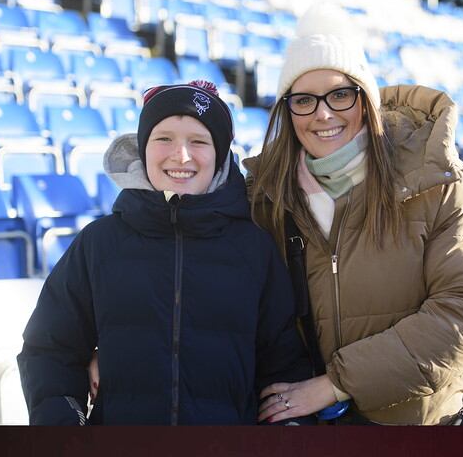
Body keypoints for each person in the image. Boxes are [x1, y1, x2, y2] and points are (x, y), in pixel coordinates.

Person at [246, 2, 463, 425]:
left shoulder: (441, 182)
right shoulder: (266, 198)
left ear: (365, 99)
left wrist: (334, 384)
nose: (323, 114)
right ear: (287, 111)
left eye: (340, 94)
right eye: (304, 100)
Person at [17, 80, 313, 425]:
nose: (181, 155)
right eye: (164, 138)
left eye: (199, 141)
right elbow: (50, 349)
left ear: (220, 156)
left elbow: (283, 366)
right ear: (143, 148)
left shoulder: (254, 249)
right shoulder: (98, 243)